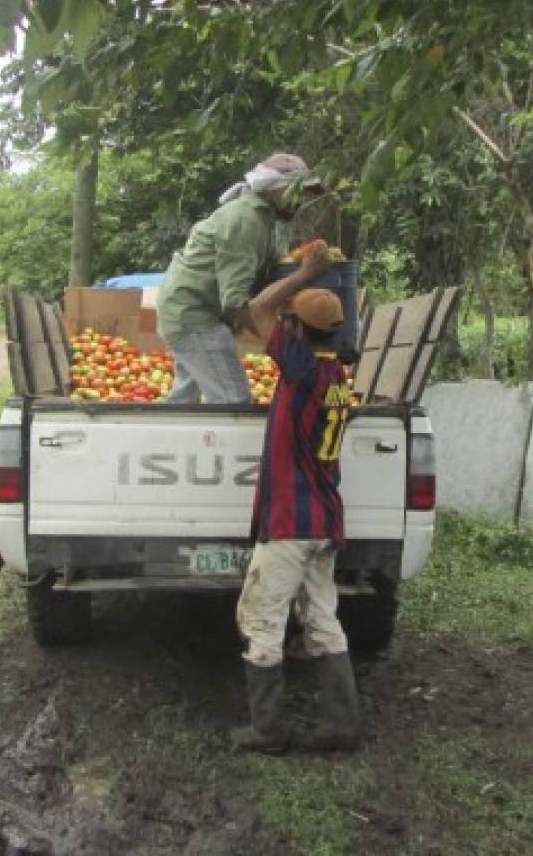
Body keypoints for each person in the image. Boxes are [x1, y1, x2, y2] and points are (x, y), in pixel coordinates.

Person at [231, 244, 361, 754]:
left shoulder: (303, 371)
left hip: (291, 522)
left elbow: (257, 308)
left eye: (292, 324)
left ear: (301, 333)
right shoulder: (338, 382)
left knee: (260, 619)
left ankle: (268, 730)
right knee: (323, 619)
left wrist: (305, 272)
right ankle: (342, 726)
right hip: (324, 520)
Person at [157, 153, 321, 404]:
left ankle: (167, 443)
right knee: (234, 402)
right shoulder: (246, 221)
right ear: (273, 188)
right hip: (195, 316)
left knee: (184, 402)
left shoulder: (265, 222)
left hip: (186, 311)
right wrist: (281, 348)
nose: (303, 199)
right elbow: (236, 301)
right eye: (297, 190)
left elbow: (266, 281)